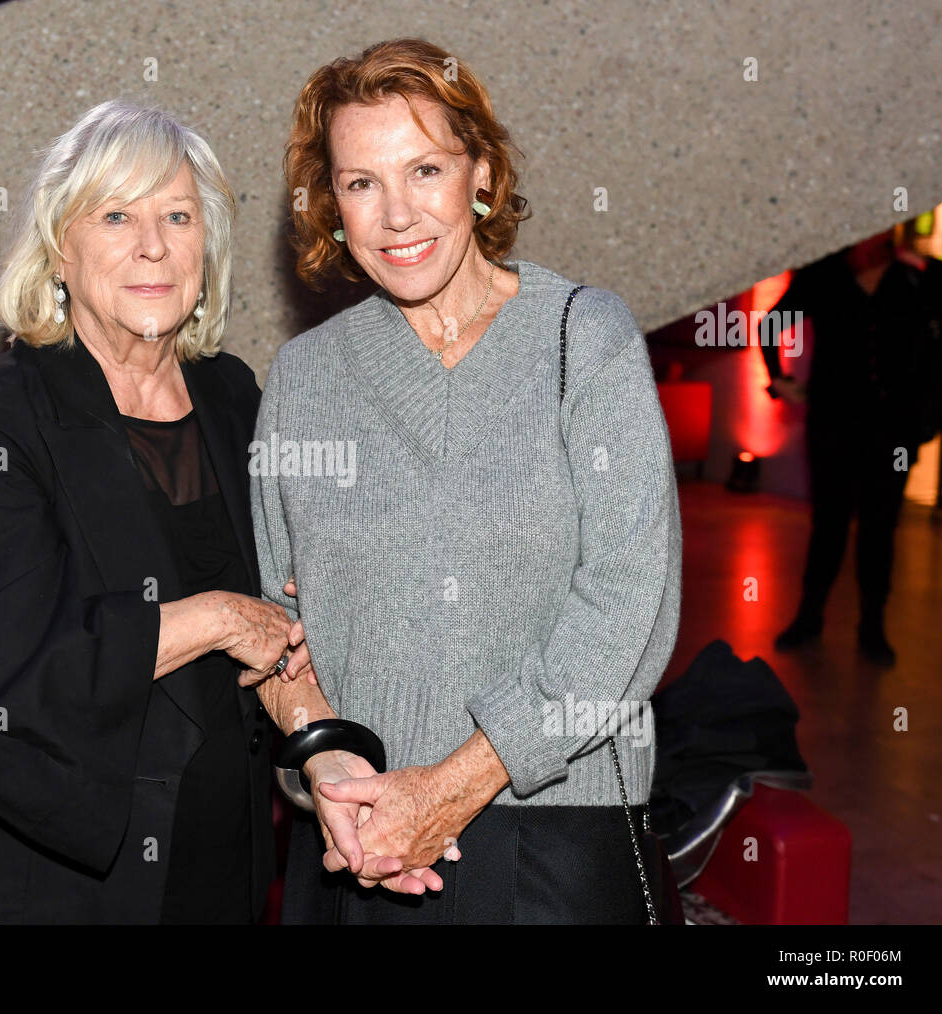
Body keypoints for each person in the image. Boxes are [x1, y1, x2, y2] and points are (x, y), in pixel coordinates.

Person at [249, 38, 683, 924]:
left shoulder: (580, 340)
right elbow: (274, 623)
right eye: (361, 182)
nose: (397, 214)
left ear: (480, 176)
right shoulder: (304, 377)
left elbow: (631, 602)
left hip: (553, 838)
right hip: (356, 846)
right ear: (332, 203)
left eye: (426, 169)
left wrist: (451, 787)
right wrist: (329, 766)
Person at [0, 100, 312, 924]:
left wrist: (328, 762)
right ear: (59, 249)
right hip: (49, 889)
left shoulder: (235, 400)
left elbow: (287, 625)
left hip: (225, 870)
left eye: (177, 216)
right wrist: (218, 617)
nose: (152, 244)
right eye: (116, 214)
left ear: (208, 248)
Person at [761, 226, 942, 666]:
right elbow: (773, 323)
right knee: (828, 523)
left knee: (880, 527)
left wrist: (930, 409)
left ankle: (872, 625)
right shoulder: (825, 274)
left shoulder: (919, 277)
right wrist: (778, 378)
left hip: (893, 430)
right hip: (833, 423)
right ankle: (809, 616)